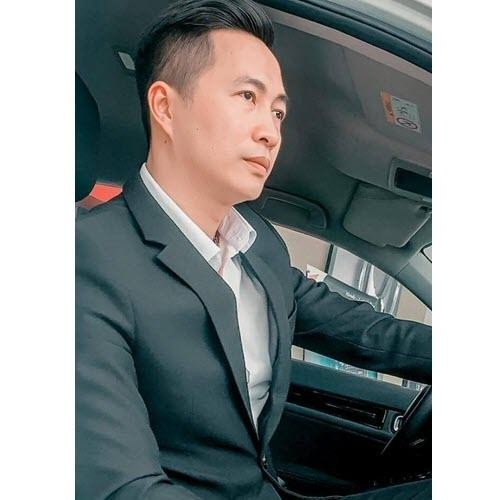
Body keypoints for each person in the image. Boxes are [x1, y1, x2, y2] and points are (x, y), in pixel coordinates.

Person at [76, 1, 431, 498]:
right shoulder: (87, 261)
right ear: (166, 107)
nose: (271, 132)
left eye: (277, 112)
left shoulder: (259, 243)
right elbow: (124, 489)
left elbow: (365, 332)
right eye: (247, 96)